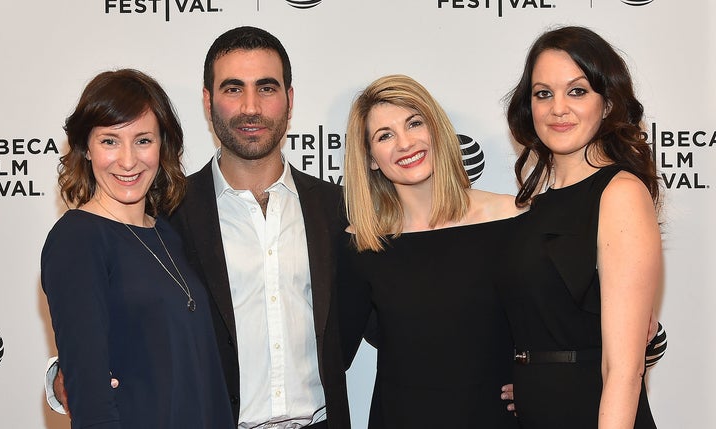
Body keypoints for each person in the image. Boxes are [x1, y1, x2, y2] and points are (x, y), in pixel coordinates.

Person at [167, 26, 350, 428]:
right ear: (207, 100)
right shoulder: (168, 214)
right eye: (233, 89)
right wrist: (69, 370)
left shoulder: (336, 210)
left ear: (289, 99)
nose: (251, 107)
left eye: (266, 88)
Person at [41, 69, 235, 428]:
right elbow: (90, 399)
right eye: (110, 141)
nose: (128, 161)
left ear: (163, 145)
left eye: (143, 140)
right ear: (85, 148)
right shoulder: (77, 241)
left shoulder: (168, 232)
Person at [497, 25, 661, 427]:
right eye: (543, 93)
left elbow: (624, 369)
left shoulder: (619, 193)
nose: (558, 109)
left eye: (577, 91)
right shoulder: (536, 207)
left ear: (607, 104)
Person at [336, 74, 523, 428]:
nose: (404, 143)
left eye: (414, 123)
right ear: (372, 159)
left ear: (436, 130)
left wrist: (541, 384)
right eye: (385, 135)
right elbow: (331, 354)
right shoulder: (362, 245)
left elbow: (560, 329)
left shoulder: (513, 220)